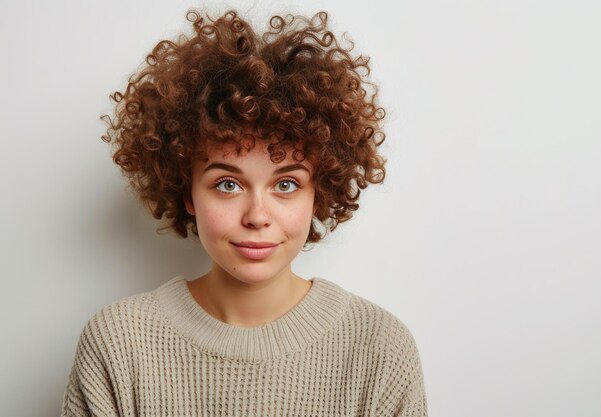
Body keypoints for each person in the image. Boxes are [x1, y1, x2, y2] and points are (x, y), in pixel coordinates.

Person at [61, 8, 427, 417]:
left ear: (318, 192)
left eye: (285, 184)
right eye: (227, 184)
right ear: (187, 192)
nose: (257, 215)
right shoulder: (117, 344)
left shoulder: (379, 349)